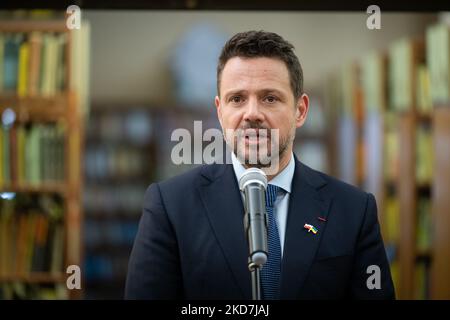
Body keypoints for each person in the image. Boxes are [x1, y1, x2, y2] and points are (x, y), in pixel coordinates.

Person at [125, 30, 395, 300]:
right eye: (237, 99)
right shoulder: (171, 206)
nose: (252, 114)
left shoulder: (353, 210)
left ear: (300, 111)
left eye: (270, 98)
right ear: (220, 112)